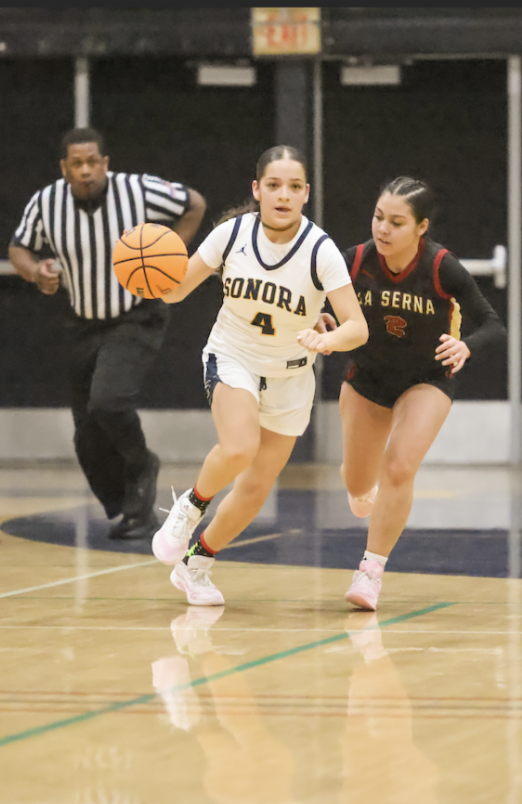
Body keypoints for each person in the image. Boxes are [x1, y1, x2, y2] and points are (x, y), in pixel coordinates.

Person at [149, 145, 368, 605]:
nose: (283, 195)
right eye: (273, 185)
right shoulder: (231, 235)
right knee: (239, 446)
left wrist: (328, 340)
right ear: (257, 189)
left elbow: (357, 328)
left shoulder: (320, 250)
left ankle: (195, 566)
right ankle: (190, 506)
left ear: (306, 193)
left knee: (255, 488)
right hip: (234, 356)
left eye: (293, 186)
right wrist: (148, 274)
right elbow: (176, 290)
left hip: (291, 376)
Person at [9, 127, 206, 540]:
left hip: (136, 314)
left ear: (106, 163)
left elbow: (195, 203)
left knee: (109, 400)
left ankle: (142, 469)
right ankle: (131, 505)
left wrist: (170, 253)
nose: (86, 171)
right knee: (86, 435)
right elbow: (19, 247)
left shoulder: (138, 190)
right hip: (82, 323)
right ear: (64, 169)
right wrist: (35, 271)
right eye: (77, 164)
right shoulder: (46, 203)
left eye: (93, 162)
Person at [322, 178, 504, 611]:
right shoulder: (355, 260)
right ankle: (361, 485)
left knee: (400, 466)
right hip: (367, 378)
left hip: (427, 379)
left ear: (421, 228)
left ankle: (370, 571)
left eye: (397, 222)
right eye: (378, 217)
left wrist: (466, 346)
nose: (383, 229)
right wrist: (317, 319)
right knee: (357, 482)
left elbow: (493, 325)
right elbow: (310, 299)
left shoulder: (441, 267)